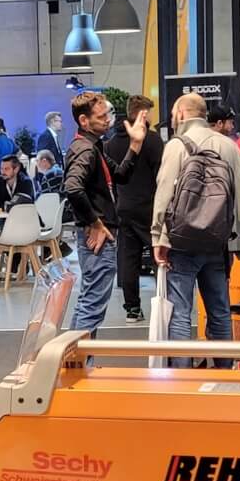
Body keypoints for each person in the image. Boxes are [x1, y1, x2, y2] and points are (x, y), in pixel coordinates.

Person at [154, 92, 240, 364]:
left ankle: (182, 375)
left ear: (181, 114)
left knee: (180, 312)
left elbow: (164, 195)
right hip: (218, 242)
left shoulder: (176, 146)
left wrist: (158, 238)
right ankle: (223, 371)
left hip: (181, 242)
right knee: (220, 311)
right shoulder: (229, 146)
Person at [63, 90, 147, 332]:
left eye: (107, 115)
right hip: (98, 237)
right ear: (84, 120)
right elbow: (72, 187)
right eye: (100, 117)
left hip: (99, 233)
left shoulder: (92, 146)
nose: (107, 120)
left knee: (89, 302)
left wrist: (135, 144)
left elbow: (120, 174)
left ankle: (76, 354)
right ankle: (79, 354)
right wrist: (96, 222)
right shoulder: (85, 149)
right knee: (92, 305)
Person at [104, 94, 164, 323]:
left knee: (129, 260)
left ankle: (132, 309)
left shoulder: (111, 143)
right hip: (150, 207)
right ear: (143, 114)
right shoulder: (153, 140)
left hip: (124, 207)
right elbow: (162, 175)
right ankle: (163, 305)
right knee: (160, 256)